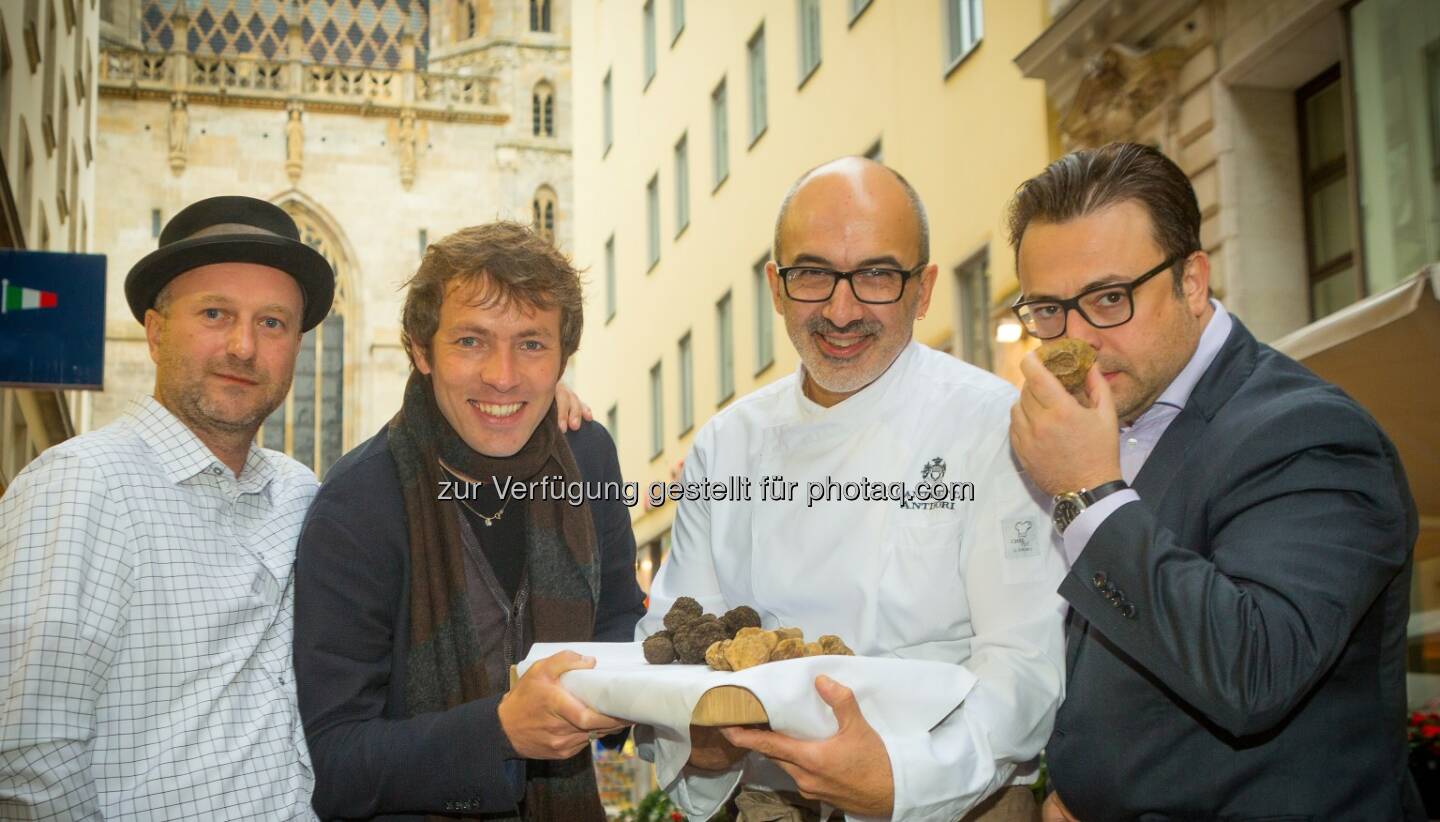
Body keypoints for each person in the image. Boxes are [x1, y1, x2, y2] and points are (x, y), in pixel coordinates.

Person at [638, 157, 1067, 822]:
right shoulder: (726, 446)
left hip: (955, 801)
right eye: (813, 274)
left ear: (923, 290)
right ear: (776, 288)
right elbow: (679, 631)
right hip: (762, 803)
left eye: (876, 275)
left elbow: (1023, 662)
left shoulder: (990, 425)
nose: (841, 310)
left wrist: (902, 779)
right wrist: (695, 740)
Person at [1005, 142, 1422, 820]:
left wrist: (1089, 493)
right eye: (1048, 310)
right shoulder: (1101, 424)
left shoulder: (1312, 432)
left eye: (1109, 298)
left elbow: (1254, 672)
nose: (1074, 339)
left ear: (1192, 281)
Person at [293, 221, 646, 821]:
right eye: (471, 341)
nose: (503, 376)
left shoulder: (587, 457)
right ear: (420, 351)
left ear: (563, 359)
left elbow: (619, 626)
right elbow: (336, 763)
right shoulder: (357, 504)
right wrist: (499, 734)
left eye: (532, 343)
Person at [0, 195, 336, 819]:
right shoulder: (80, 485)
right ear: (156, 333)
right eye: (215, 313)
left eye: (272, 323)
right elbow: (27, 758)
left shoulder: (299, 494)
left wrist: (530, 403)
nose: (243, 347)